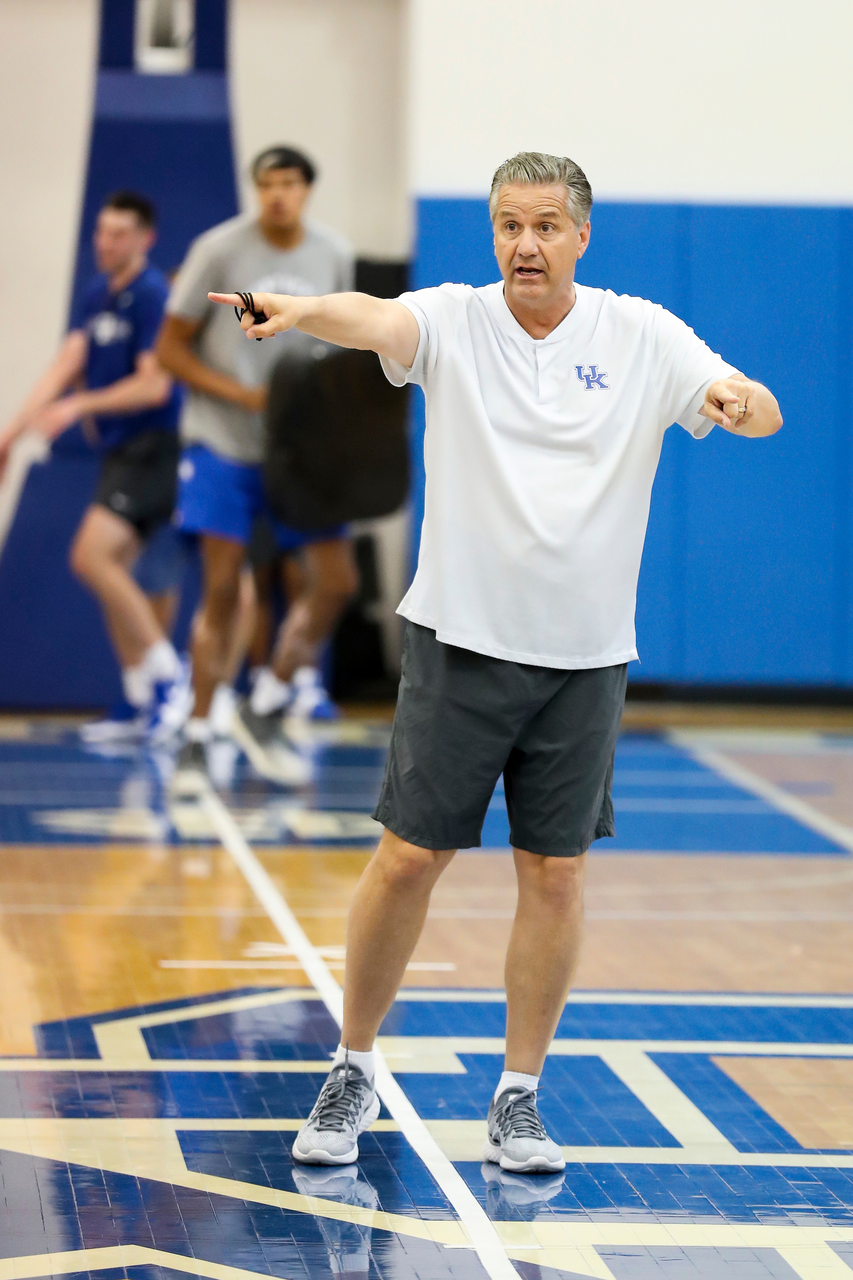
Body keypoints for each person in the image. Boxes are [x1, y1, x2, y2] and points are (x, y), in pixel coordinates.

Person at [208, 150, 782, 1172]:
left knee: (555, 873)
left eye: (545, 226)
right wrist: (297, 312)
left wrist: (745, 402)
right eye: (509, 225)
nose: (525, 244)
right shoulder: (456, 320)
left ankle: (518, 1094)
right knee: (407, 858)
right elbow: (373, 318)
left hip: (584, 657)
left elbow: (748, 399)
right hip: (459, 640)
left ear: (581, 235)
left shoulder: (642, 333)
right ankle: (352, 1064)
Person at [156, 145, 359, 787]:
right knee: (222, 589)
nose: (277, 194)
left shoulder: (334, 253)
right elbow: (169, 348)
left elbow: (344, 342)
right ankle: (196, 733)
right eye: (267, 183)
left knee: (336, 581)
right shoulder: (218, 249)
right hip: (223, 441)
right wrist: (241, 395)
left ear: (307, 190)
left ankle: (266, 702)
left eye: (289, 183)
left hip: (298, 450)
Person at [0, 191, 190, 742]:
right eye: (101, 231)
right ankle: (138, 701)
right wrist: (10, 435)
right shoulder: (97, 294)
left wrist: (81, 404)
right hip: (120, 452)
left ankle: (169, 678)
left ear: (146, 238)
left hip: (154, 447)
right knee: (113, 572)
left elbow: (154, 385)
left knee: (91, 557)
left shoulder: (152, 295)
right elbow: (66, 363)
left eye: (119, 233)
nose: (106, 243)